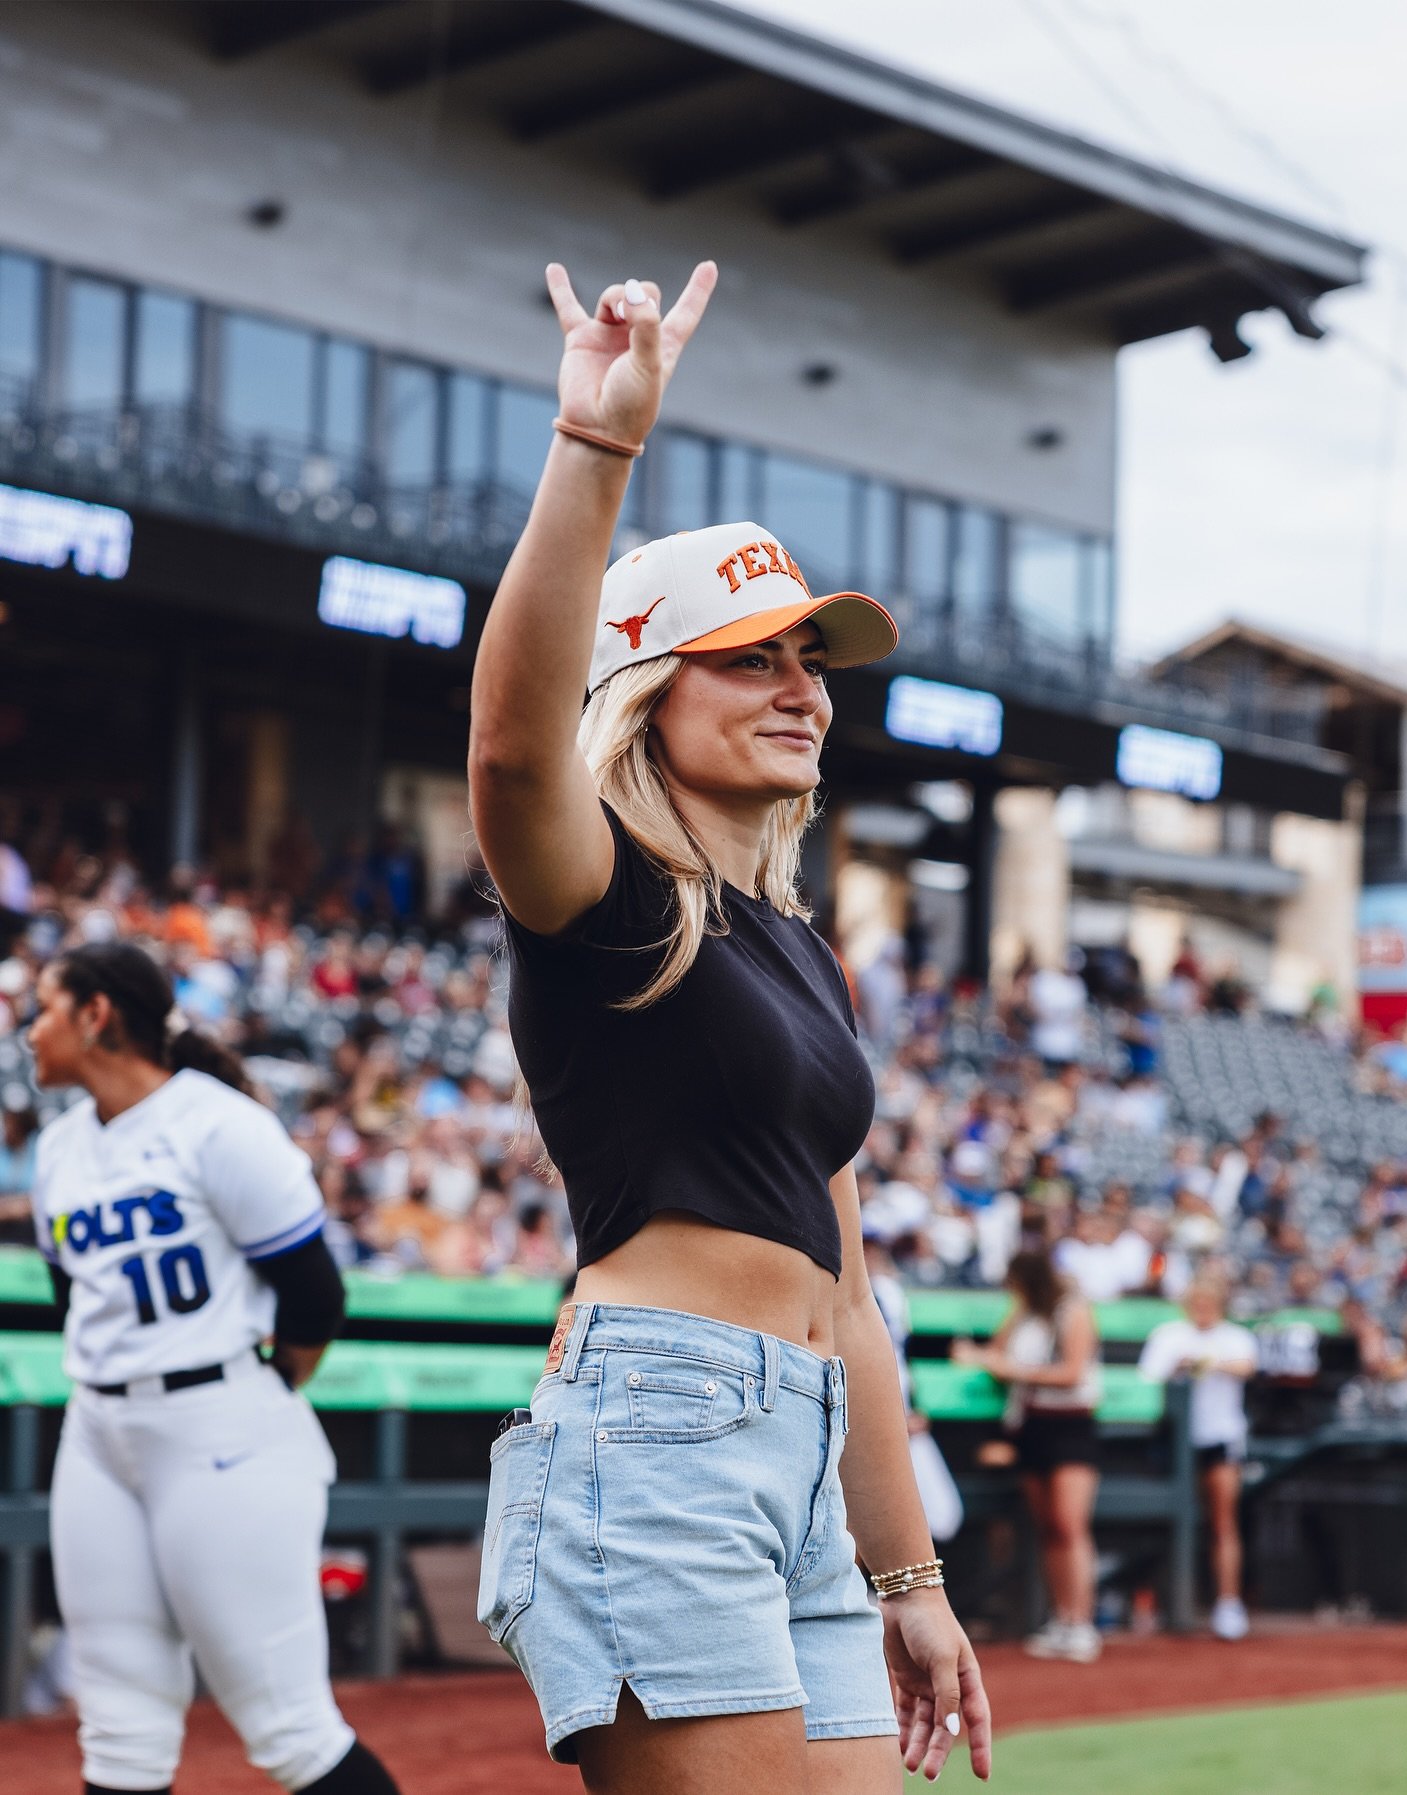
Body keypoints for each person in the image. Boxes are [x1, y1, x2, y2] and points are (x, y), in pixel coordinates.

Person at [467, 262, 990, 1791]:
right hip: (661, 1430)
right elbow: (508, 749)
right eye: (753, 656)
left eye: (809, 662)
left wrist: (914, 1579)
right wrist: (598, 448)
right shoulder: (606, 894)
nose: (802, 691)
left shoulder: (800, 950)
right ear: (644, 687)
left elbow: (852, 1299)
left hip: (805, 1458)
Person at [27, 941, 401, 1795]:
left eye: (45, 1007)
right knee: (119, 1728)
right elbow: (74, 1298)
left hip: (219, 1420)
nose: (29, 1029)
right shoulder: (60, 1149)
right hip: (98, 1432)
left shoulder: (220, 1123)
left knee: (289, 1729)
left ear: (97, 1015)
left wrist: (264, 1394)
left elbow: (314, 1295)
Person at [956, 1250, 1102, 1663]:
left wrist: (1010, 1369)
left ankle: (1081, 1621)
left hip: (1071, 1425)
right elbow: (996, 1353)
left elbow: (1072, 1372)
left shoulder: (1072, 1311)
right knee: (1048, 1527)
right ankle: (1062, 1618)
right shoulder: (1022, 1313)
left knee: (1069, 1523)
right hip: (1030, 1426)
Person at [1138, 1275, 1258, 1640]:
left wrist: (1210, 1364)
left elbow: (1247, 1367)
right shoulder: (1168, 1336)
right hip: (1173, 1442)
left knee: (1223, 1521)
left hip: (1220, 1440)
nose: (1203, 1309)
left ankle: (1228, 1602)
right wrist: (1179, 1367)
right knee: (1163, 1521)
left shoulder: (1237, 1338)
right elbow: (1148, 1379)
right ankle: (1154, 1602)